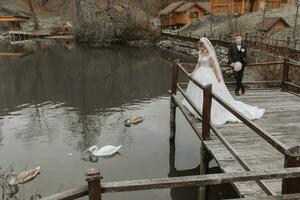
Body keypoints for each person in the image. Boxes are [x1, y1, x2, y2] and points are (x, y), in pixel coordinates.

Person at [182, 37, 264, 126]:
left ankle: (208, 111)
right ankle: (196, 107)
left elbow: (214, 68)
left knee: (209, 91)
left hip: (208, 74)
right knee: (198, 91)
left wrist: (218, 78)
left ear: (206, 46)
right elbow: (198, 64)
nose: (201, 47)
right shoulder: (200, 53)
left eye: (203, 45)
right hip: (199, 73)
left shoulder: (210, 56)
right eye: (200, 45)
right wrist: (192, 73)